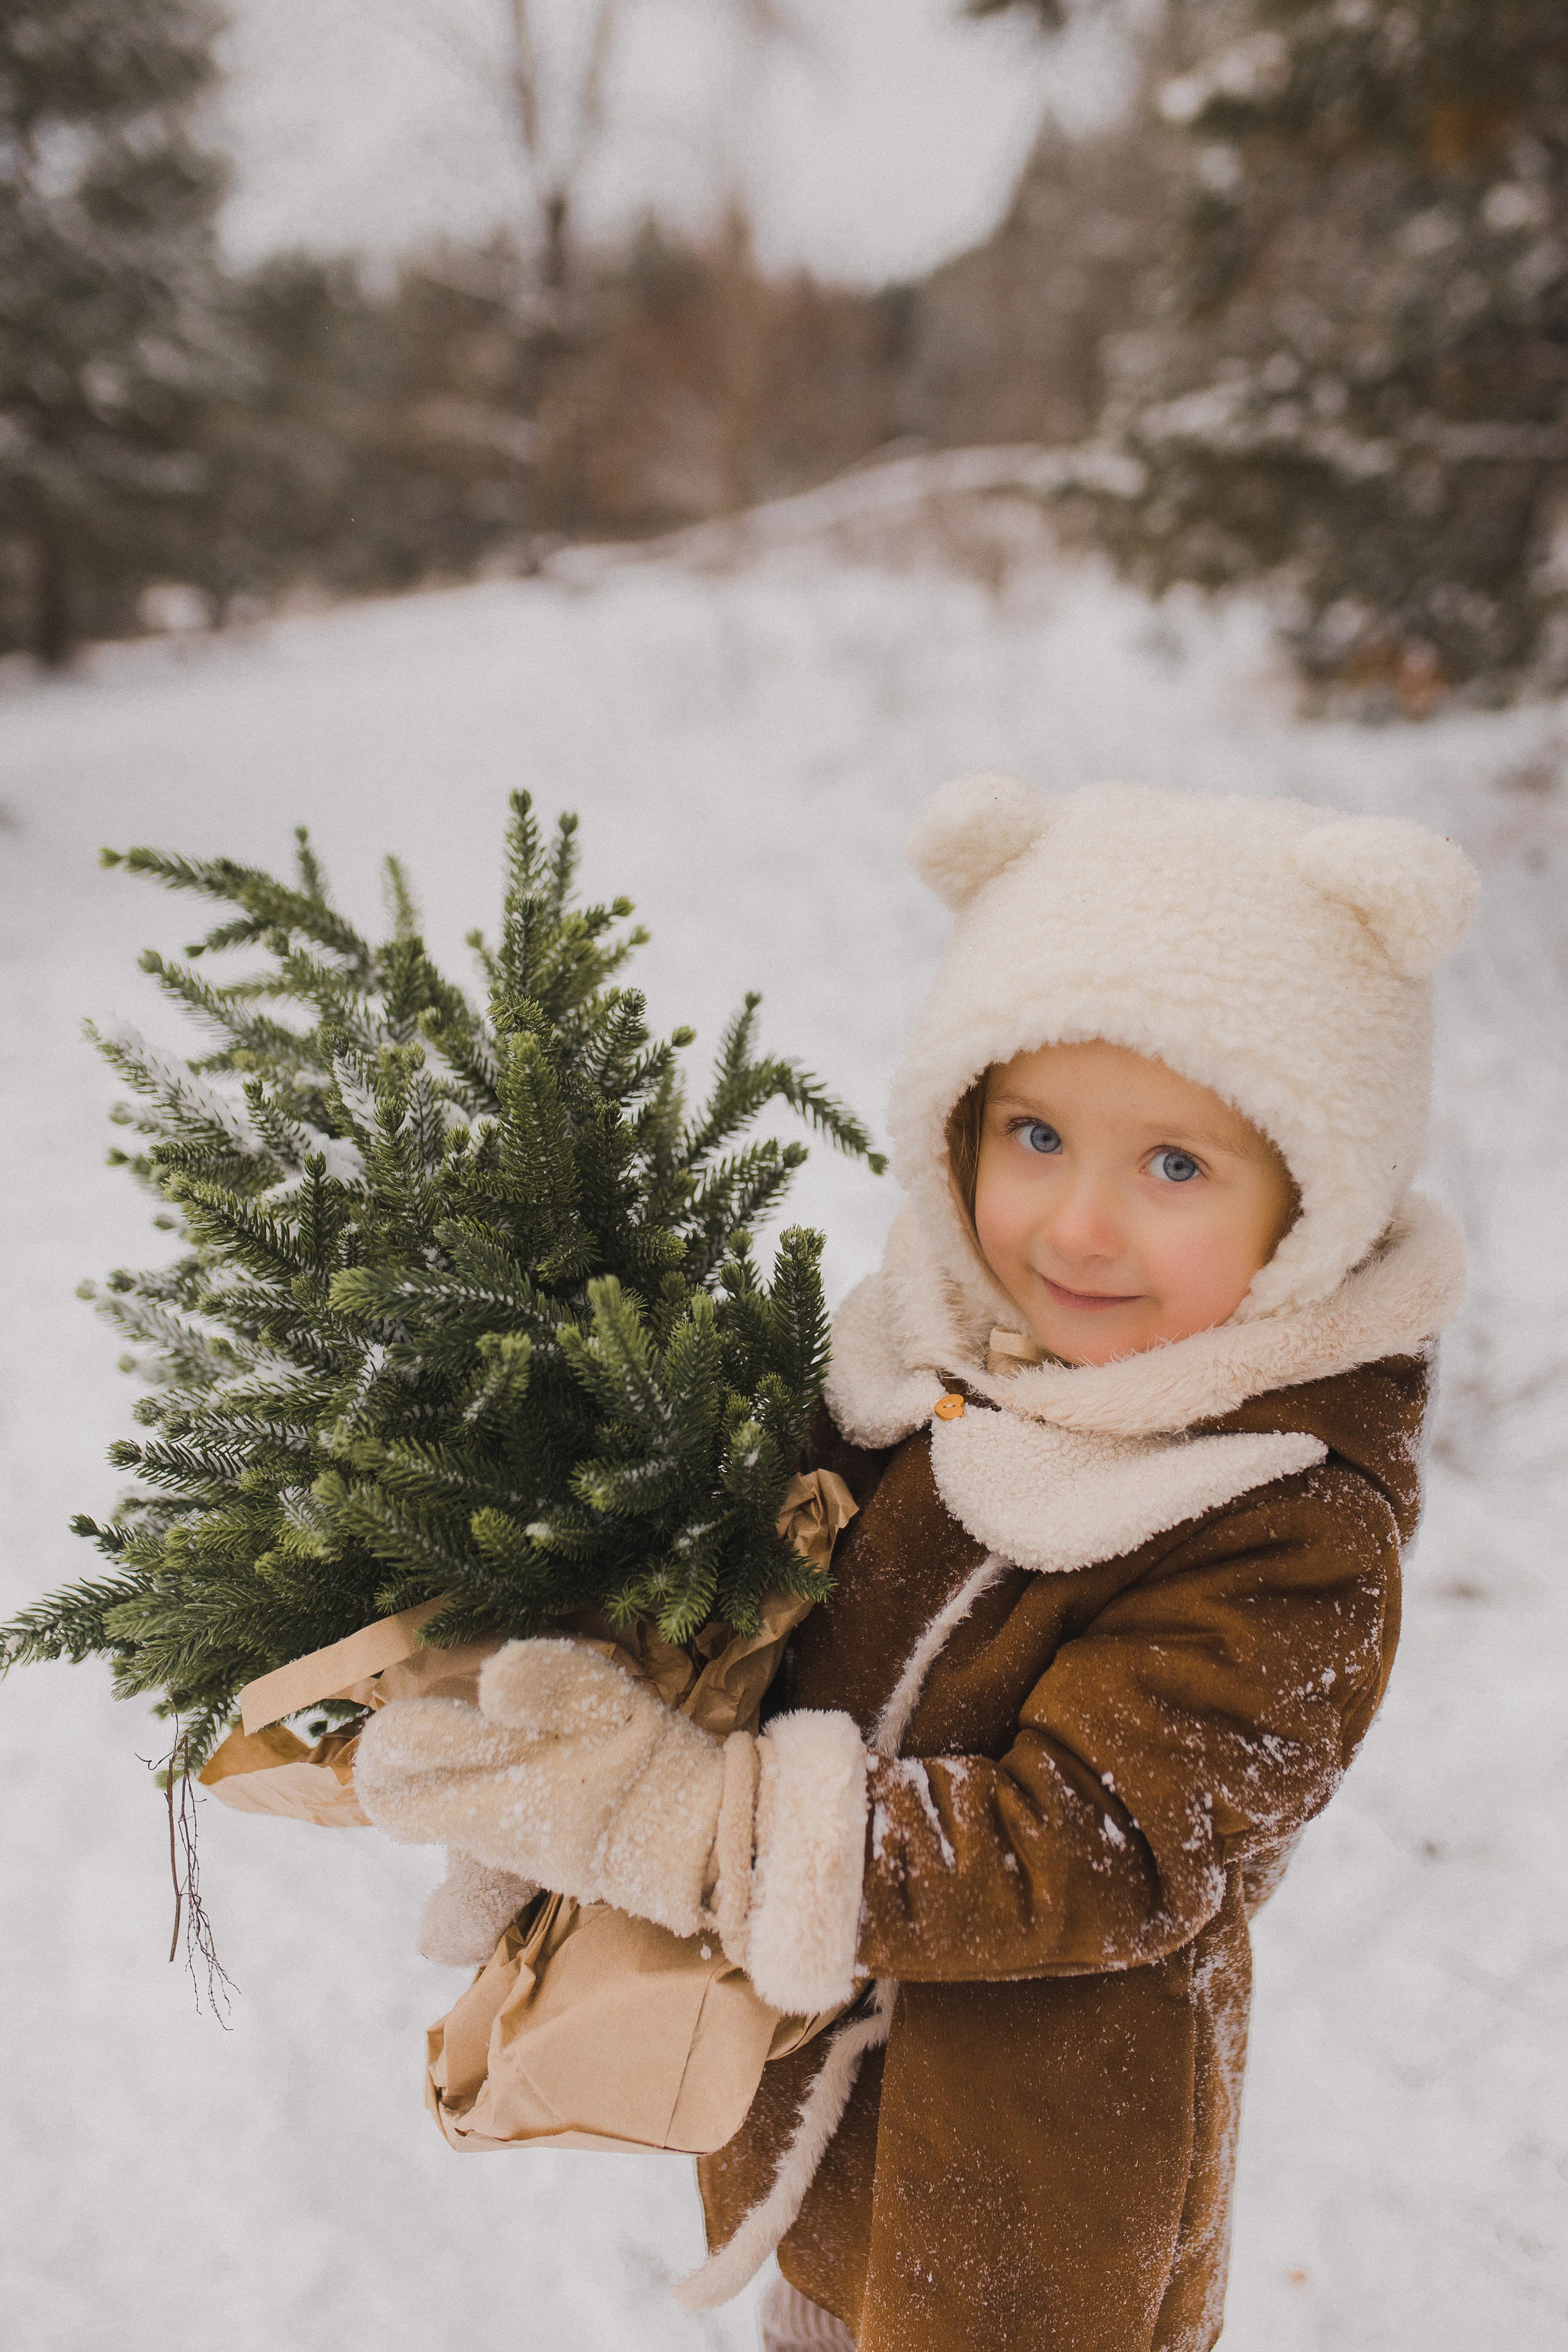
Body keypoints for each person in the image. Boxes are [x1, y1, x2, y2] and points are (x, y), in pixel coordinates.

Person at [356, 775, 1478, 2352]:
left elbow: (1100, 1847)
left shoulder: (1282, 1521)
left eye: (1174, 1167)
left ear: (1316, 1202)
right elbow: (761, 1597)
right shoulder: (916, 1369)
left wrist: (682, 1820)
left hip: (1030, 2205)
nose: (1077, 1226)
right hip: (810, 2127)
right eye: (1031, 1135)